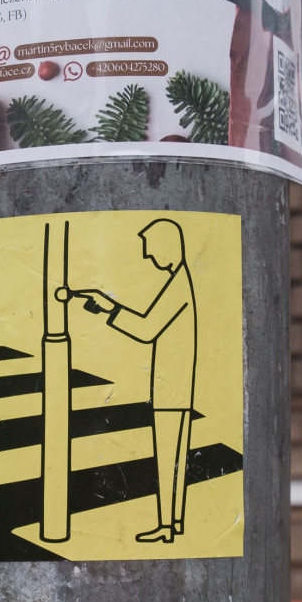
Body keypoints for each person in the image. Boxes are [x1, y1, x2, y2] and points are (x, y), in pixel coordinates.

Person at [78, 217, 199, 545]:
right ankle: (172, 524)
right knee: (174, 458)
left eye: (151, 248)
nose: (148, 255)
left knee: (169, 458)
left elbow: (147, 329)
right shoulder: (180, 280)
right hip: (175, 386)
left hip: (173, 389)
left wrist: (109, 309)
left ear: (168, 245)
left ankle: (168, 526)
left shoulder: (178, 283)